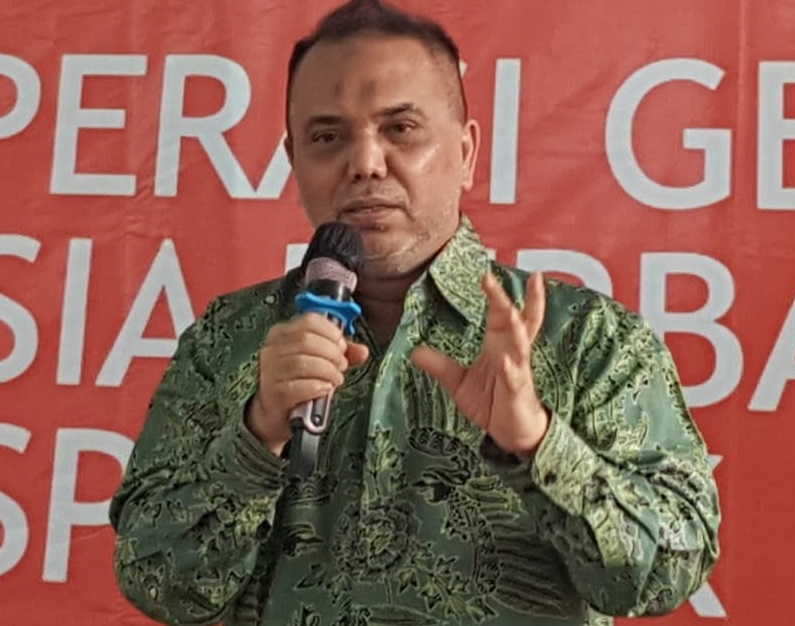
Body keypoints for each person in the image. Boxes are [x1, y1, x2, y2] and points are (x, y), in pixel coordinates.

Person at [109, 1, 721, 625]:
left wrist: (538, 445)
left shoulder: (587, 339)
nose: (366, 163)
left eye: (400, 129)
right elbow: (157, 583)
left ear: (467, 152)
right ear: (293, 160)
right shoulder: (228, 339)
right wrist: (258, 435)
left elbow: (666, 574)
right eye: (328, 137)